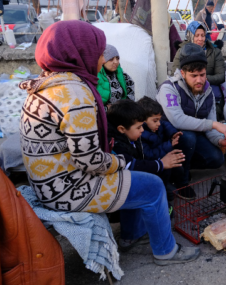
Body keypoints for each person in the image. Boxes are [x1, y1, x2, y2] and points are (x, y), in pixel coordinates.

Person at [19, 21, 199, 265]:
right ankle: (166, 251)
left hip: (49, 184)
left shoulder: (46, 84)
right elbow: (90, 160)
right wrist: (121, 161)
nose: (101, 57)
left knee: (135, 178)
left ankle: (131, 236)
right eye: (99, 51)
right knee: (152, 185)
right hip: (67, 190)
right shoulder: (73, 93)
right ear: (80, 52)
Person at [157, 43, 226, 185]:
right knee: (188, 138)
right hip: (168, 138)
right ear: (182, 73)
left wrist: (220, 141)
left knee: (217, 158)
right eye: (193, 76)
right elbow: (178, 120)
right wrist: (215, 124)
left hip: (194, 136)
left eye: (202, 75)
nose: (199, 80)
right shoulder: (169, 88)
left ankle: (182, 165)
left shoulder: (208, 91)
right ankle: (180, 179)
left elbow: (211, 128)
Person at [106, 99, 186, 205]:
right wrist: (161, 163)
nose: (142, 130)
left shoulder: (131, 134)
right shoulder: (116, 146)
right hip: (125, 189)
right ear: (121, 129)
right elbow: (131, 164)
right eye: (139, 127)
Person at [137, 97, 191, 199]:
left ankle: (178, 181)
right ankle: (165, 188)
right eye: (155, 120)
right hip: (154, 167)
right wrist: (169, 144)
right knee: (171, 194)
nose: (159, 123)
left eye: (159, 120)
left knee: (179, 167)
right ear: (143, 120)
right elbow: (148, 155)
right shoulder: (140, 135)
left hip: (164, 156)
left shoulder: (157, 126)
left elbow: (166, 125)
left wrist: (173, 134)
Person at [172, 21, 226, 120]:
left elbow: (221, 76)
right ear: (190, 35)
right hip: (187, 89)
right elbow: (175, 73)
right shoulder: (182, 51)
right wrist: (192, 81)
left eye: (203, 35)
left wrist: (202, 79)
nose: (200, 39)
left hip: (210, 89)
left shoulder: (214, 52)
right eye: (196, 35)